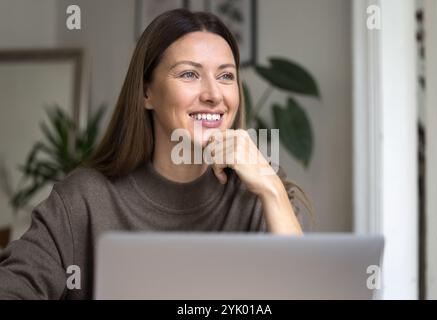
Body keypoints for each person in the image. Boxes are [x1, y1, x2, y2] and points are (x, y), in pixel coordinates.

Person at [0, 8, 310, 300]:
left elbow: (304, 291)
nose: (214, 95)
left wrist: (272, 190)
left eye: (226, 76)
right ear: (146, 92)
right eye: (189, 74)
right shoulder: (83, 200)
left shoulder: (256, 195)